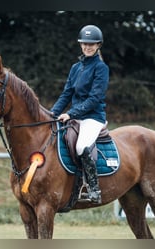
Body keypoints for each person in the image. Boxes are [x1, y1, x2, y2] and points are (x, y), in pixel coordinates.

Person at [50, 25, 109, 204]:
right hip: (75, 117)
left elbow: (94, 98)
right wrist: (52, 113)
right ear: (80, 44)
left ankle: (93, 188)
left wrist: (70, 113)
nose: (87, 47)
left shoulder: (101, 68)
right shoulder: (76, 67)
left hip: (93, 118)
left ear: (98, 45)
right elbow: (66, 93)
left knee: (81, 147)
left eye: (91, 44)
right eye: (85, 43)